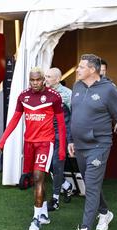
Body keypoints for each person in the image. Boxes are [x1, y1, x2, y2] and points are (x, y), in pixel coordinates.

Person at [68, 54, 117, 230]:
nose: (77, 70)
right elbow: (75, 114)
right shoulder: (77, 86)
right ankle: (105, 213)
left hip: (99, 145)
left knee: (91, 185)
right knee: (91, 185)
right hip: (80, 145)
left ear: (92, 70)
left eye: (81, 67)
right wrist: (71, 139)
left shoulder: (109, 90)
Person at [0, 67, 66, 230]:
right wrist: (3, 140)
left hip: (45, 143)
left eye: (38, 79)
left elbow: (62, 125)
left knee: (38, 175)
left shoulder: (54, 97)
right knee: (36, 179)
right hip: (28, 143)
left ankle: (36, 219)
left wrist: (62, 148)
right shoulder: (23, 96)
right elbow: (15, 119)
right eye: (32, 80)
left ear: (44, 79)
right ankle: (43, 214)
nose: (35, 83)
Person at [44, 67, 73, 211]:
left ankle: (55, 200)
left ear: (58, 79)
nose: (46, 79)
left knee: (57, 165)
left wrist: (71, 139)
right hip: (46, 135)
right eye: (46, 76)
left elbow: (75, 116)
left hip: (61, 136)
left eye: (49, 77)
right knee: (47, 166)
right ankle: (67, 186)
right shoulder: (44, 93)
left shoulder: (68, 94)